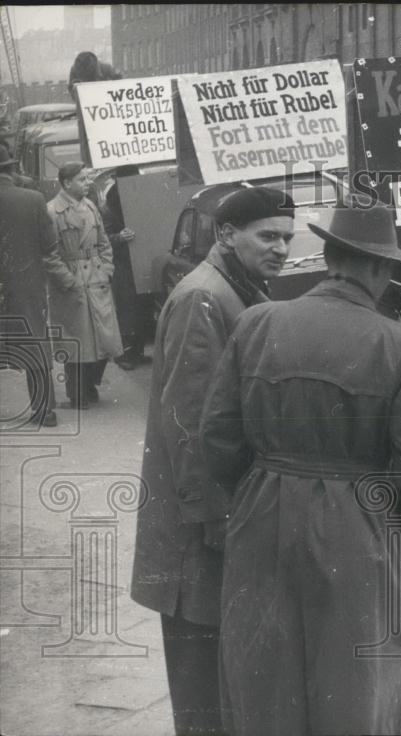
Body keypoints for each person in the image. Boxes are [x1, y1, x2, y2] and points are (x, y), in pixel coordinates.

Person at [199, 202, 401, 735]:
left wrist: (258, 488)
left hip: (261, 512)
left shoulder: (256, 322)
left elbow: (216, 441)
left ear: (328, 255)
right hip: (357, 524)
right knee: (355, 682)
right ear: (379, 269)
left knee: (263, 675)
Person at [130, 186, 296, 735]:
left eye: (287, 238)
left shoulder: (233, 287)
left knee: (224, 685)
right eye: (267, 236)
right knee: (203, 691)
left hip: (212, 527)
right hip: (198, 537)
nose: (280, 248)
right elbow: (191, 429)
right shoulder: (204, 297)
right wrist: (221, 526)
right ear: (226, 234)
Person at [46, 162, 122, 409]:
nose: (88, 183)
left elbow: (103, 244)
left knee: (103, 338)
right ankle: (77, 392)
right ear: (67, 183)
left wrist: (107, 270)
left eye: (88, 179)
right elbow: (49, 255)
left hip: (96, 278)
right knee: (76, 341)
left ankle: (89, 384)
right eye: (82, 179)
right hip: (72, 280)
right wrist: (67, 281)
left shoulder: (90, 206)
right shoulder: (52, 211)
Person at [0, 147, 64, 426]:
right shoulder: (33, 199)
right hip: (24, 283)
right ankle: (44, 411)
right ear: (12, 170)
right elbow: (50, 245)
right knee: (35, 343)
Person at [102, 167, 153, 369]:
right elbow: (103, 239)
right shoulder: (108, 208)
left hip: (139, 260)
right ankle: (123, 355)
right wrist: (119, 237)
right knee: (126, 309)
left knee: (141, 307)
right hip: (122, 263)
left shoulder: (139, 198)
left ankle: (136, 352)